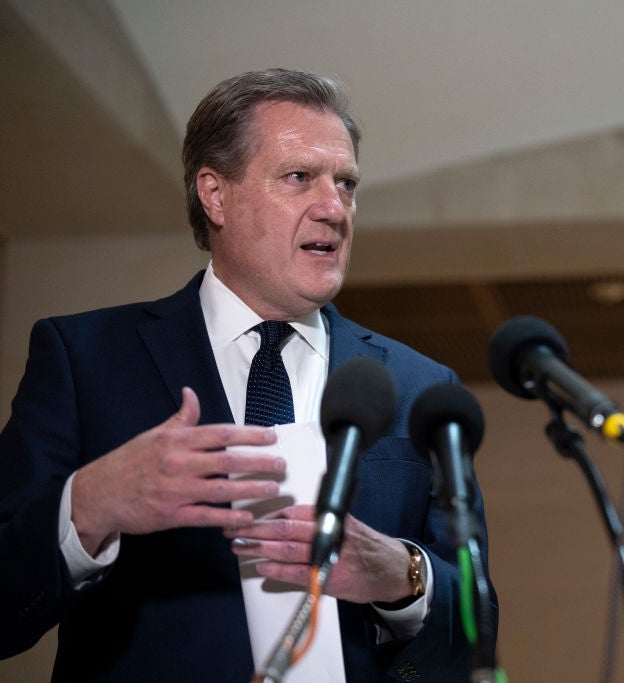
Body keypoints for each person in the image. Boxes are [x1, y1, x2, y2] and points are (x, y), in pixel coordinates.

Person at [0, 68, 494, 682]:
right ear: (215, 194)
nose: (334, 208)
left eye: (346, 183)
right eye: (299, 178)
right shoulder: (84, 358)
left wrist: (402, 575)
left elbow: (480, 623)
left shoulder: (421, 386)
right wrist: (91, 505)